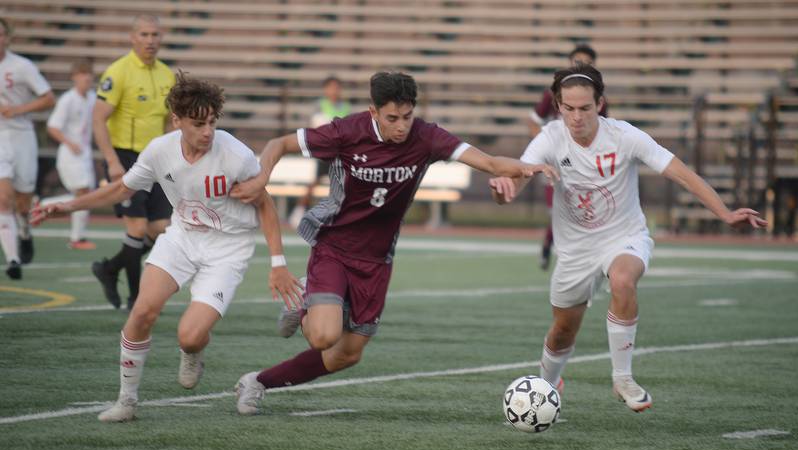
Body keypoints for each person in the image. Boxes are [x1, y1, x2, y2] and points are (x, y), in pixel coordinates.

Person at [228, 71, 556, 415]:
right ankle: (309, 298)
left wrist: (524, 167)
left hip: (377, 259)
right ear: (373, 112)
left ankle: (258, 381)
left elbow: (488, 162)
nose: (401, 126)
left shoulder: (427, 137)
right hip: (335, 247)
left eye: (407, 117)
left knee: (347, 354)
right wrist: (262, 176)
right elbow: (278, 144)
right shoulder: (346, 131)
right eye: (392, 118)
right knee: (323, 336)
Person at [489, 64, 766, 412]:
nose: (577, 117)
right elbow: (516, 180)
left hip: (624, 237)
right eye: (569, 108)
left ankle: (622, 378)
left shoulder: (624, 136)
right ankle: (546, 385)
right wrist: (502, 191)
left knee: (622, 280)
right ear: (558, 107)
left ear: (600, 104)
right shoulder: (549, 138)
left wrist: (725, 213)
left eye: (585, 108)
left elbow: (682, 174)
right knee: (562, 330)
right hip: (574, 251)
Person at [31, 73, 304, 422]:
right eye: (198, 124)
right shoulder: (160, 151)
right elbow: (120, 190)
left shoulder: (235, 154)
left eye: (212, 123)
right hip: (182, 238)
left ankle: (192, 351)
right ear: (177, 120)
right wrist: (66, 205)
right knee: (143, 311)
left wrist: (278, 263)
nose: (207, 131)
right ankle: (126, 401)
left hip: (228, 249)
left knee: (189, 337)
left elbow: (264, 205)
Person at [91, 14, 176, 309]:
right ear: (132, 38)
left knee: (162, 230)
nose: (150, 40)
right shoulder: (119, 72)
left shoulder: (167, 74)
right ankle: (136, 299)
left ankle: (109, 269)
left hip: (156, 160)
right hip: (125, 158)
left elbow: (169, 123)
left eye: (155, 34)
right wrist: (112, 162)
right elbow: (98, 120)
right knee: (138, 228)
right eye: (144, 34)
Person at [527, 45, 608, 270]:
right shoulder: (552, 94)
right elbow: (533, 121)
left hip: (585, 163)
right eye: (577, 61)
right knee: (560, 211)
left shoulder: (597, 98)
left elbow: (605, 131)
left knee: (584, 213)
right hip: (558, 162)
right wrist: (546, 145)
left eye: (586, 63)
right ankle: (553, 249)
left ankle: (589, 260)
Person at [0, 17, 55, 279]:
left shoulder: (22, 66)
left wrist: (18, 109)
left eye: (1, 34)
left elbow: (48, 98)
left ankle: (24, 230)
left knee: (23, 202)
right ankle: (12, 259)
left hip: (21, 136)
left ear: (8, 37)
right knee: (3, 199)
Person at [46, 60, 98, 250]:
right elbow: (53, 126)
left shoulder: (93, 97)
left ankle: (40, 205)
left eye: (89, 73)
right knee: (82, 192)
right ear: (74, 77)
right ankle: (77, 238)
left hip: (85, 154)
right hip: (69, 154)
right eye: (82, 73)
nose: (86, 77)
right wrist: (69, 142)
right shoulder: (68, 99)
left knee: (85, 195)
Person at [287, 75, 351, 229]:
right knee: (314, 183)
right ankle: (298, 212)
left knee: (346, 185)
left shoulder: (345, 107)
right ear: (325, 89)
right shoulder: (319, 106)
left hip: (340, 153)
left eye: (336, 88)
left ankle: (343, 216)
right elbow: (315, 126)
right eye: (331, 87)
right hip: (324, 152)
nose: (334, 91)